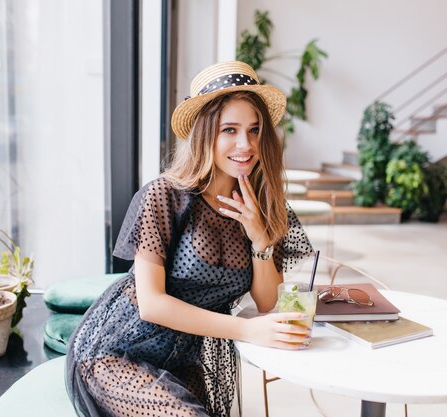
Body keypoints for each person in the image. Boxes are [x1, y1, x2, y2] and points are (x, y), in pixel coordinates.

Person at [66, 61, 314, 417]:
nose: (246, 144)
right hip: (117, 351)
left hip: (183, 359)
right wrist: (245, 331)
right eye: (230, 129)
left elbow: (267, 302)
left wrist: (261, 240)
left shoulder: (267, 205)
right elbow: (151, 304)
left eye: (255, 130)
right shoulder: (165, 196)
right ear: (204, 134)